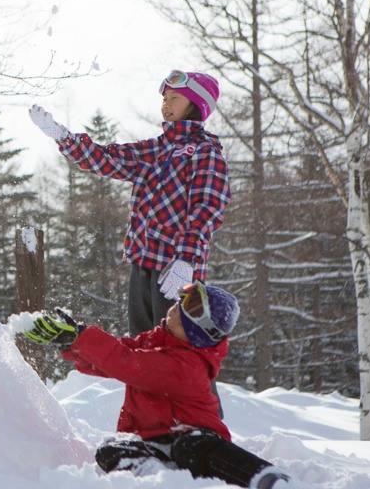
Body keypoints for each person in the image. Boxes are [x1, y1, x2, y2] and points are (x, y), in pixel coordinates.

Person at [18, 283, 288, 489]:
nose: (175, 307)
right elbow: (117, 355)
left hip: (193, 437)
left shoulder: (186, 366)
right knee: (111, 450)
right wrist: (73, 343)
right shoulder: (161, 341)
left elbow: (127, 363)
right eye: (179, 303)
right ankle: (158, 481)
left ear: (195, 332)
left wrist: (81, 336)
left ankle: (262, 476)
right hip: (152, 443)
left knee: (192, 448)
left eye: (185, 312)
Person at [29, 70, 230, 335]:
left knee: (179, 348)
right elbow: (106, 159)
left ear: (196, 105)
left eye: (174, 98)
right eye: (164, 98)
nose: (165, 105)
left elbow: (208, 209)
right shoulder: (154, 150)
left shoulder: (205, 153)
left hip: (176, 269)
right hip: (142, 265)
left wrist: (186, 259)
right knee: (144, 343)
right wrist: (63, 137)